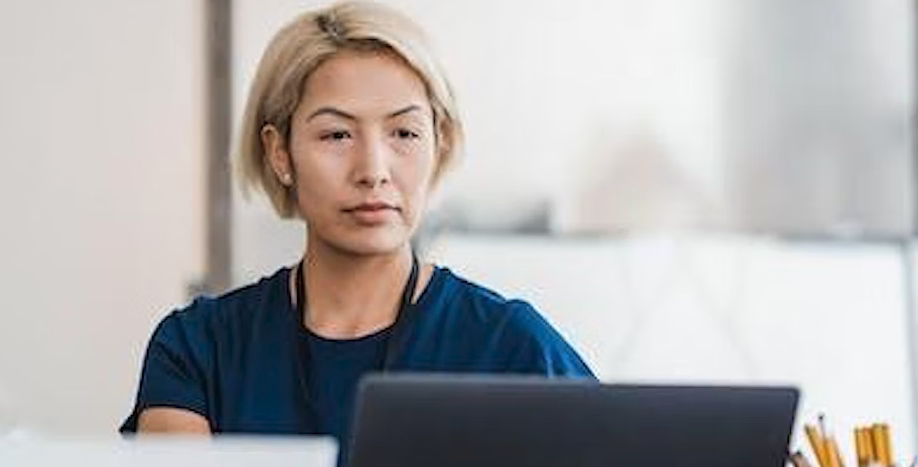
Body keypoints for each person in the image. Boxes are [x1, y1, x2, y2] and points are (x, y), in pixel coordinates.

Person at [120, 0, 593, 450]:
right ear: (280, 152)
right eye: (337, 135)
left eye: (404, 133)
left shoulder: (513, 348)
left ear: (440, 144)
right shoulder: (197, 349)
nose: (373, 169)